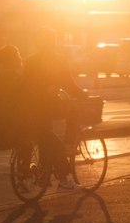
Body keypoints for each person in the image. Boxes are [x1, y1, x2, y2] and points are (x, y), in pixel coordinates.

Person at [21, 26, 88, 191]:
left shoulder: (30, 60)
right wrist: (82, 94)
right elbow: (68, 83)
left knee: (46, 139)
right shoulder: (57, 59)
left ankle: (44, 175)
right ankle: (63, 177)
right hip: (48, 106)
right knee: (55, 141)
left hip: (31, 108)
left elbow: (24, 85)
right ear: (52, 42)